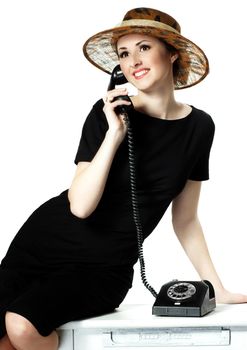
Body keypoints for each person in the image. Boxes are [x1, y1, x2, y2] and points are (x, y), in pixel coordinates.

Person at [1, 7, 247, 350]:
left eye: (144, 47)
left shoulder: (200, 127)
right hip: (41, 246)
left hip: (103, 269)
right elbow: (81, 206)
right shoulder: (107, 116)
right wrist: (114, 133)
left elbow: (186, 219)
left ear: (172, 52)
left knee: (22, 324)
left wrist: (215, 287)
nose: (134, 61)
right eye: (124, 53)